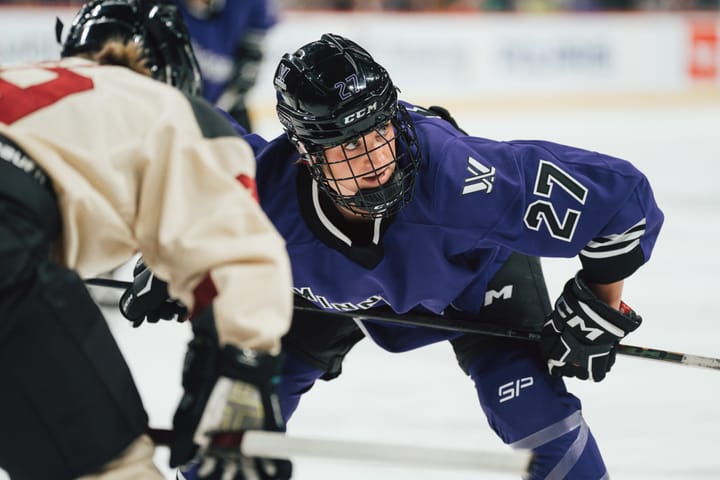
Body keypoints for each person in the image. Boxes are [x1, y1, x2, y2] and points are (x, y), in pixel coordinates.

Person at [128, 34, 663, 479]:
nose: (378, 160)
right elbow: (189, 184)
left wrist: (600, 304)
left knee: (537, 418)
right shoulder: (262, 191)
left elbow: (621, 200)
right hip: (321, 295)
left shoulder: (460, 178)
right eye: (348, 147)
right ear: (306, 152)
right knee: (229, 423)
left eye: (379, 130)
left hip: (473, 283)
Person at [0, 1, 294, 479]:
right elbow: (236, 251)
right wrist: (242, 364)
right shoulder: (169, 108)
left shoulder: (24, 78)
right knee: (116, 467)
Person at [173, 0, 279, 131]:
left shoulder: (249, 5)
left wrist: (222, 106)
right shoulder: (158, 8)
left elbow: (249, 65)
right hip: (176, 111)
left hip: (227, 110)